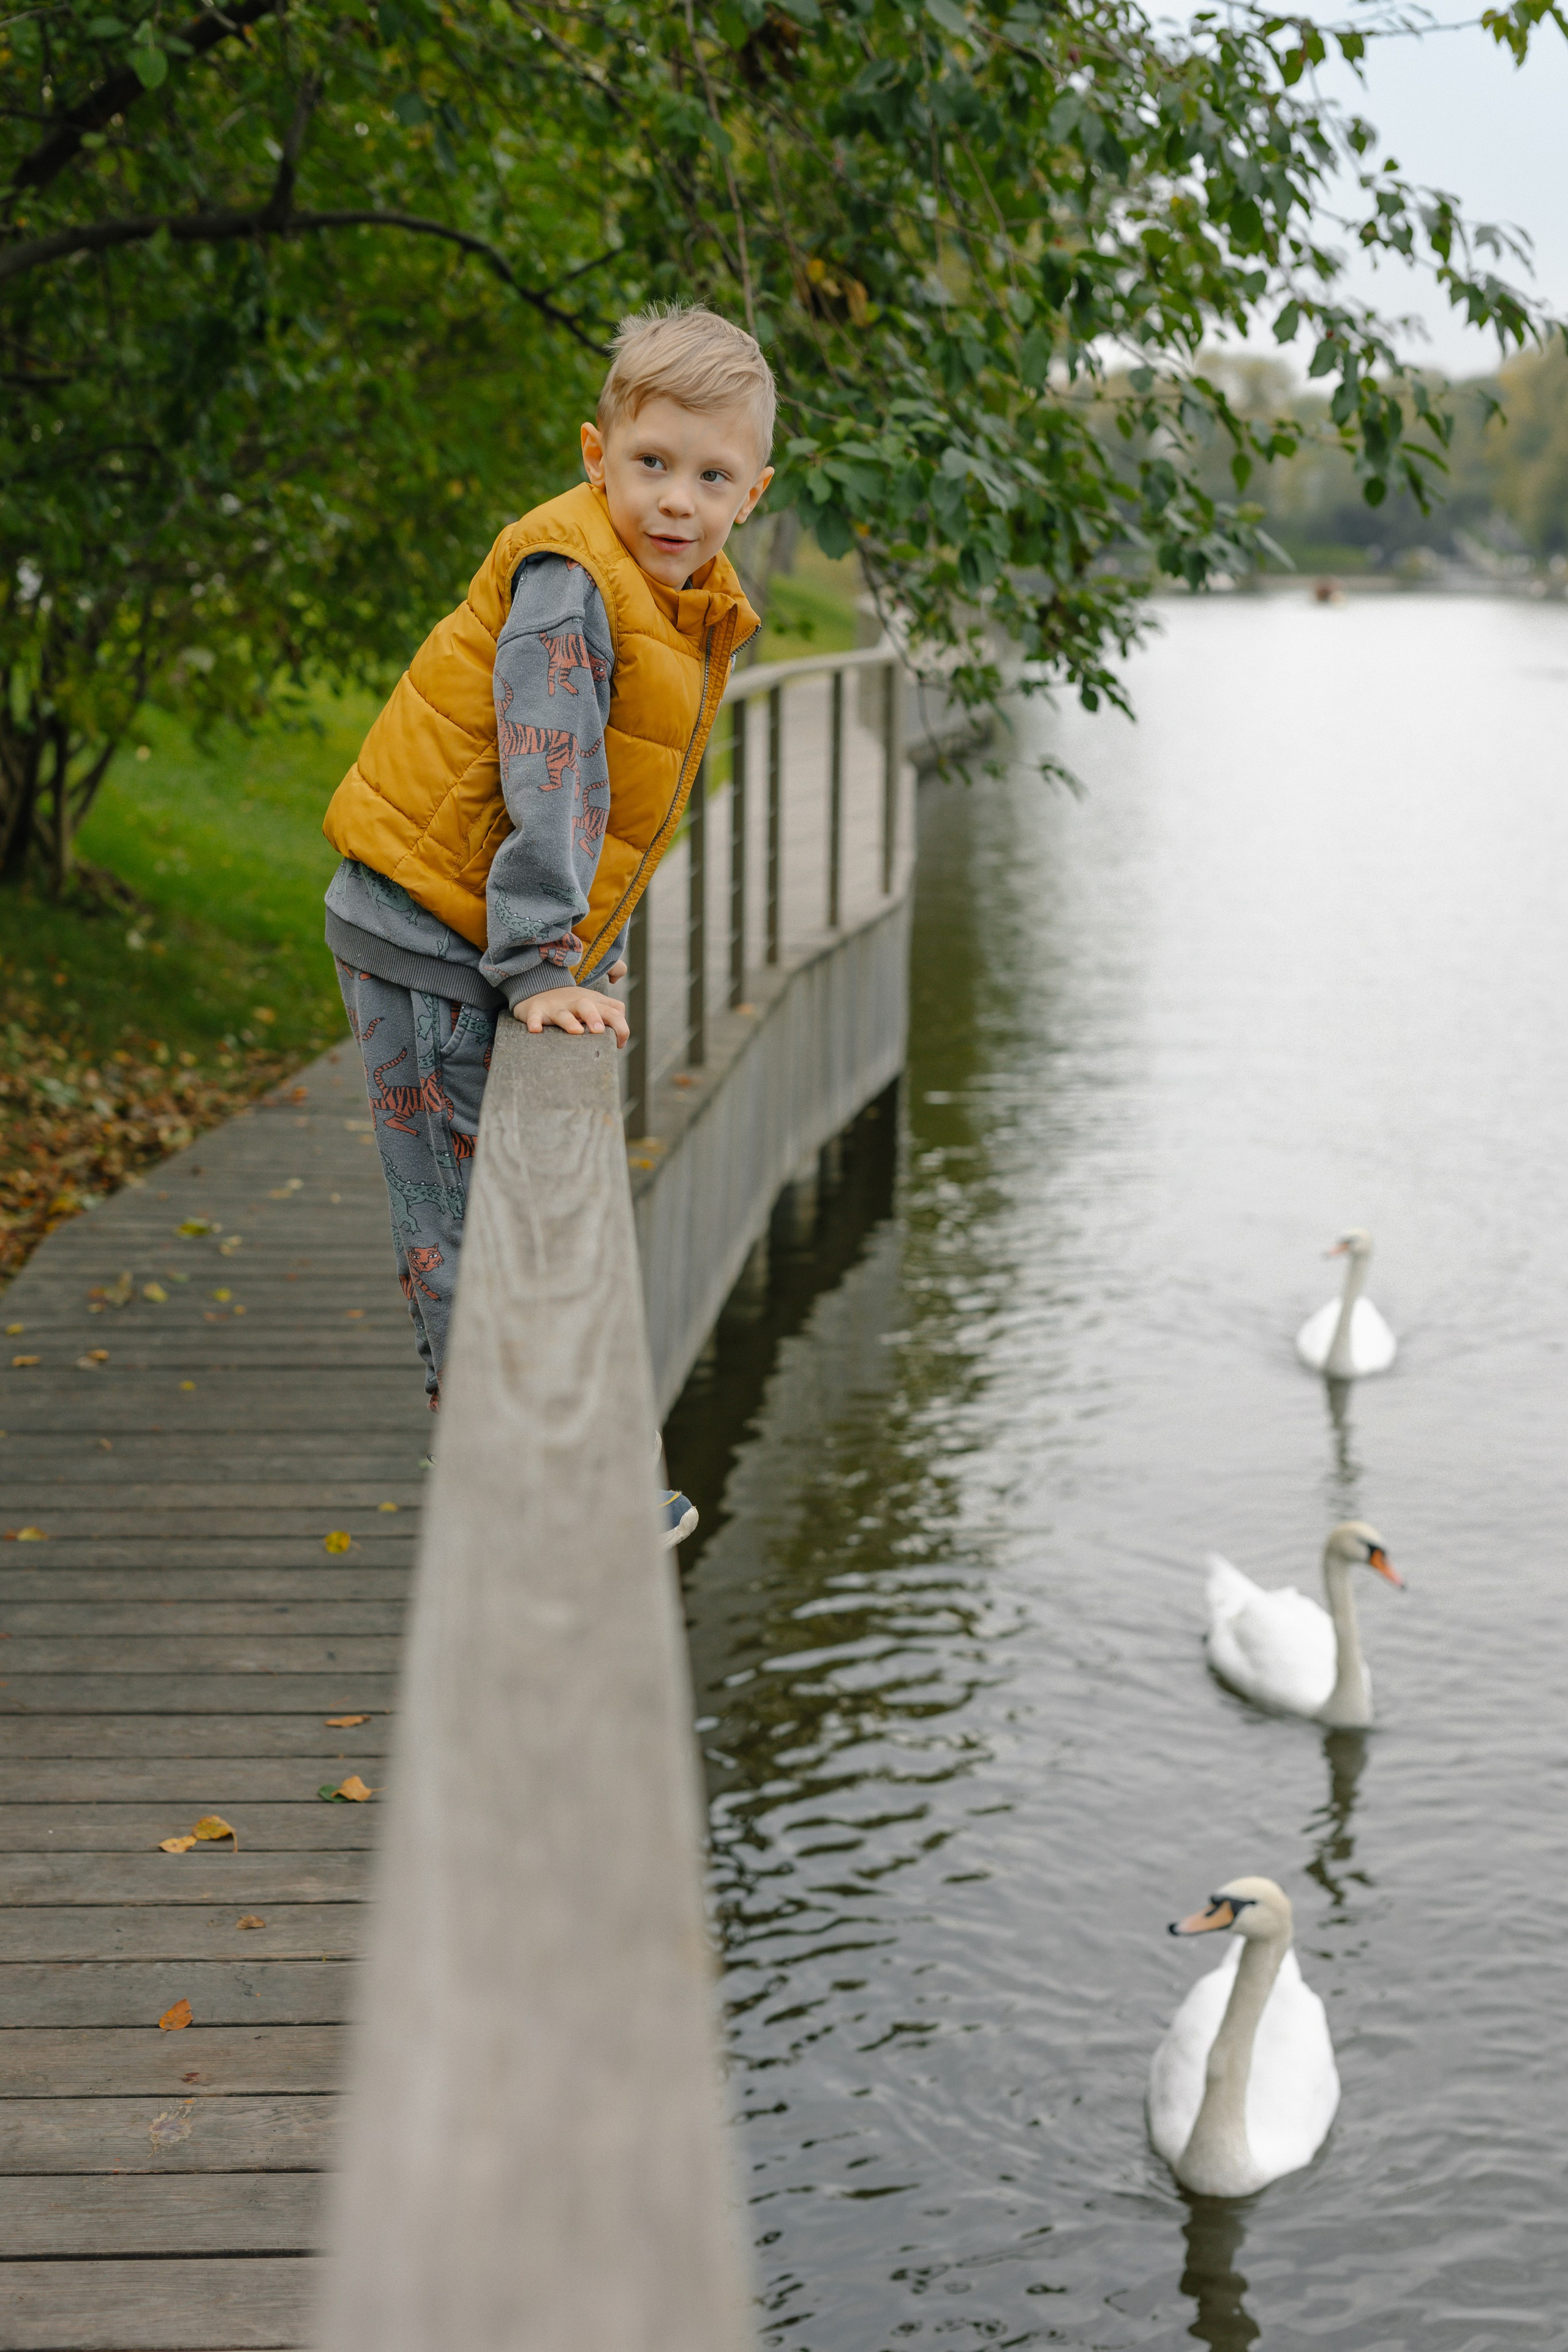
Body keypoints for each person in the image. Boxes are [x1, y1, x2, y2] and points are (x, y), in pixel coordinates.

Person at [321, 304, 773, 1545]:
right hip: (429, 934)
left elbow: (613, 798)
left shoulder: (678, 595)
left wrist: (583, 948)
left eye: (711, 476)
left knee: (487, 1213)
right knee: (459, 1225)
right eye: (650, 465)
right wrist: (535, 965)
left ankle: (549, 1467)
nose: (676, 501)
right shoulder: (574, 583)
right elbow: (550, 770)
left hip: (454, 927)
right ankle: (523, 1490)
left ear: (754, 489)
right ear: (595, 454)